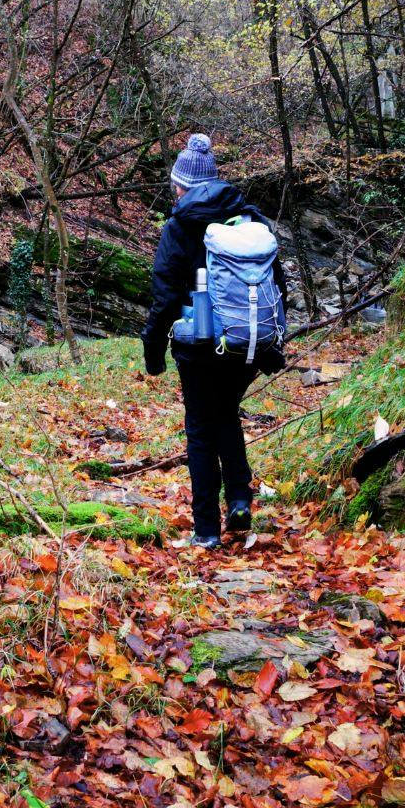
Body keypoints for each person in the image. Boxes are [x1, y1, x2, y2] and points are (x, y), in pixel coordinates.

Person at [142, 133, 287, 548]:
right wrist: (274, 341)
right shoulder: (248, 217)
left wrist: (153, 353)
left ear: (179, 185)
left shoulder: (179, 225)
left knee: (202, 429)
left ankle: (206, 530)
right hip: (247, 342)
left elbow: (166, 297)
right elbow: (277, 282)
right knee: (226, 414)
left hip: (200, 345)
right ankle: (239, 499)